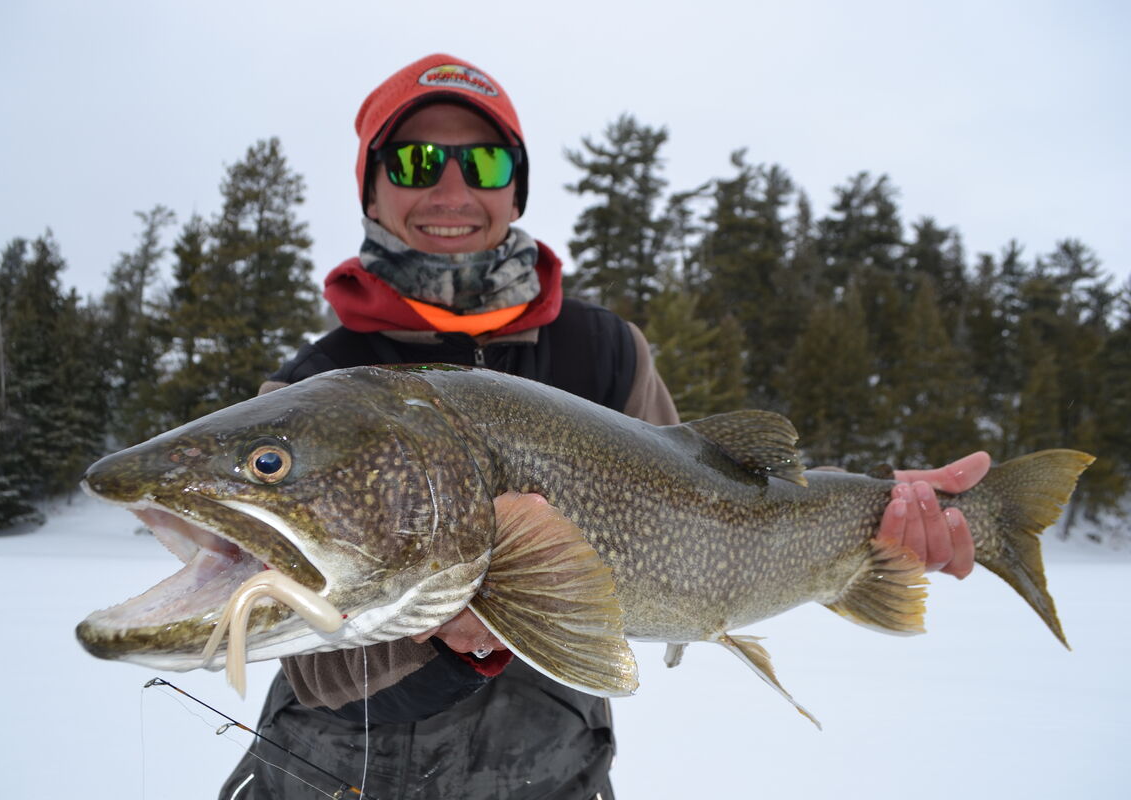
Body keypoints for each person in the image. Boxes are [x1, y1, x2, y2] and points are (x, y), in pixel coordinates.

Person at [219, 54, 987, 800]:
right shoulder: (314, 391)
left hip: (551, 774)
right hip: (330, 778)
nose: (450, 188)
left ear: (514, 191)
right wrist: (436, 637)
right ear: (372, 190)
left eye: (484, 165)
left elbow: (715, 521)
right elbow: (294, 650)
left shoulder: (606, 351)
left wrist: (870, 521)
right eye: (416, 162)